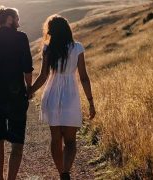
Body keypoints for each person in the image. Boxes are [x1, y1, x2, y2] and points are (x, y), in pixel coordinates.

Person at [28, 15, 96, 180]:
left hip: (51, 95)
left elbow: (43, 76)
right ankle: (66, 171)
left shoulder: (48, 48)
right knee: (71, 140)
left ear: (51, 31)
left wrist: (30, 90)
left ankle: (61, 172)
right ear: (67, 29)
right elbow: (84, 77)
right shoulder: (77, 47)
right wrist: (91, 102)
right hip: (70, 96)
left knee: (56, 138)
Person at [0, 6, 33, 180]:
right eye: (17, 18)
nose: (19, 22)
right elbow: (27, 69)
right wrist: (29, 88)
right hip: (17, 96)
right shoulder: (21, 38)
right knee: (17, 143)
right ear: (9, 19)